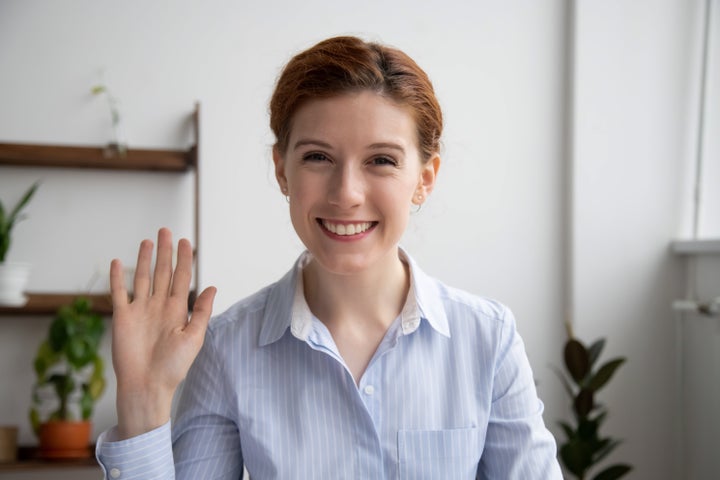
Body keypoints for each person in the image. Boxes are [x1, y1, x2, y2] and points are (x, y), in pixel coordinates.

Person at [96, 35, 562, 479]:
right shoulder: (226, 350)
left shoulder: (488, 340)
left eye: (381, 160)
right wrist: (144, 400)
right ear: (282, 170)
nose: (347, 194)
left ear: (425, 176)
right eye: (318, 157)